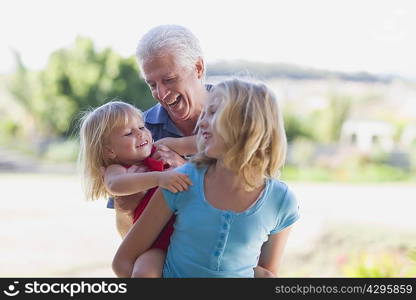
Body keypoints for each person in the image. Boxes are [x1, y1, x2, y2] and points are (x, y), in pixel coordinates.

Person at [112, 78, 300, 278]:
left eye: (213, 113)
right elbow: (123, 262)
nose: (201, 122)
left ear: (248, 125)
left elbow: (266, 274)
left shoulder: (281, 200)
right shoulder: (182, 181)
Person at [111, 24, 211, 238]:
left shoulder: (240, 113)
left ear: (198, 68)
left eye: (169, 79)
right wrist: (128, 207)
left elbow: (261, 196)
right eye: (152, 84)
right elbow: (125, 233)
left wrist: (185, 171)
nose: (161, 93)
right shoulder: (137, 132)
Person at [78, 100, 193, 277]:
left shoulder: (162, 146)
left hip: (188, 232)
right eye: (129, 133)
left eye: (141, 126)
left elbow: (198, 143)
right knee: (143, 271)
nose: (141, 134)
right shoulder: (117, 170)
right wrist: (158, 178)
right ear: (109, 151)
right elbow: (115, 185)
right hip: (155, 243)